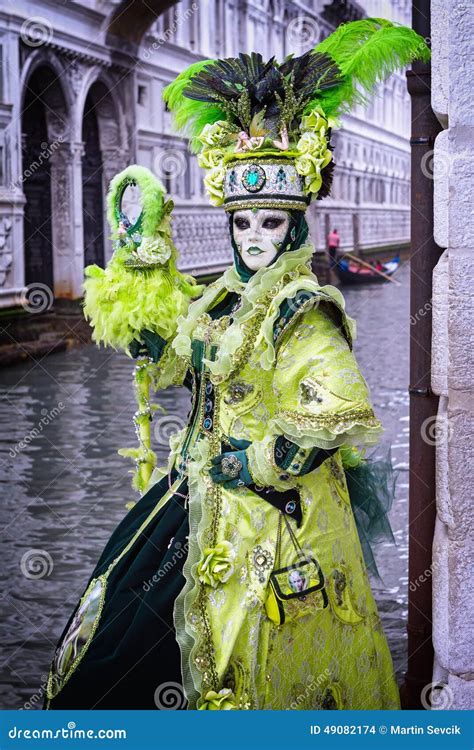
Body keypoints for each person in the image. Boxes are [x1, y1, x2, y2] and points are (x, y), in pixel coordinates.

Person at [44, 19, 430, 711]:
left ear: (296, 226)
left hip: (272, 521)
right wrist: (152, 341)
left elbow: (334, 415)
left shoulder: (301, 309)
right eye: (244, 223)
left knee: (244, 668)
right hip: (190, 501)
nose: (254, 239)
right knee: (115, 646)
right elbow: (186, 369)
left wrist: (250, 465)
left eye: (271, 224)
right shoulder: (222, 297)